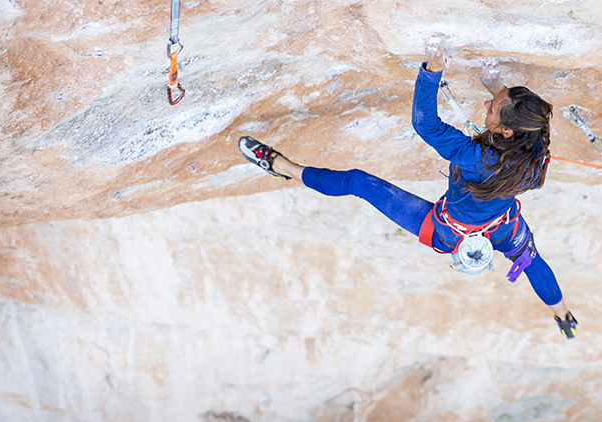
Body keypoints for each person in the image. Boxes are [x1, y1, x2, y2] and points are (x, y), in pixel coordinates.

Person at [238, 36, 577, 339]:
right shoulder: (536, 150)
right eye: (495, 99)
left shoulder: (478, 158)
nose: (487, 105)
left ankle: (283, 167)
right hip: (503, 226)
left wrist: (432, 70)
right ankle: (563, 316)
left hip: (447, 231)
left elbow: (425, 124)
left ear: (505, 132)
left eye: (492, 107)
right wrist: (493, 86)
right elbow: (534, 263)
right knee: (529, 258)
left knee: (358, 182)